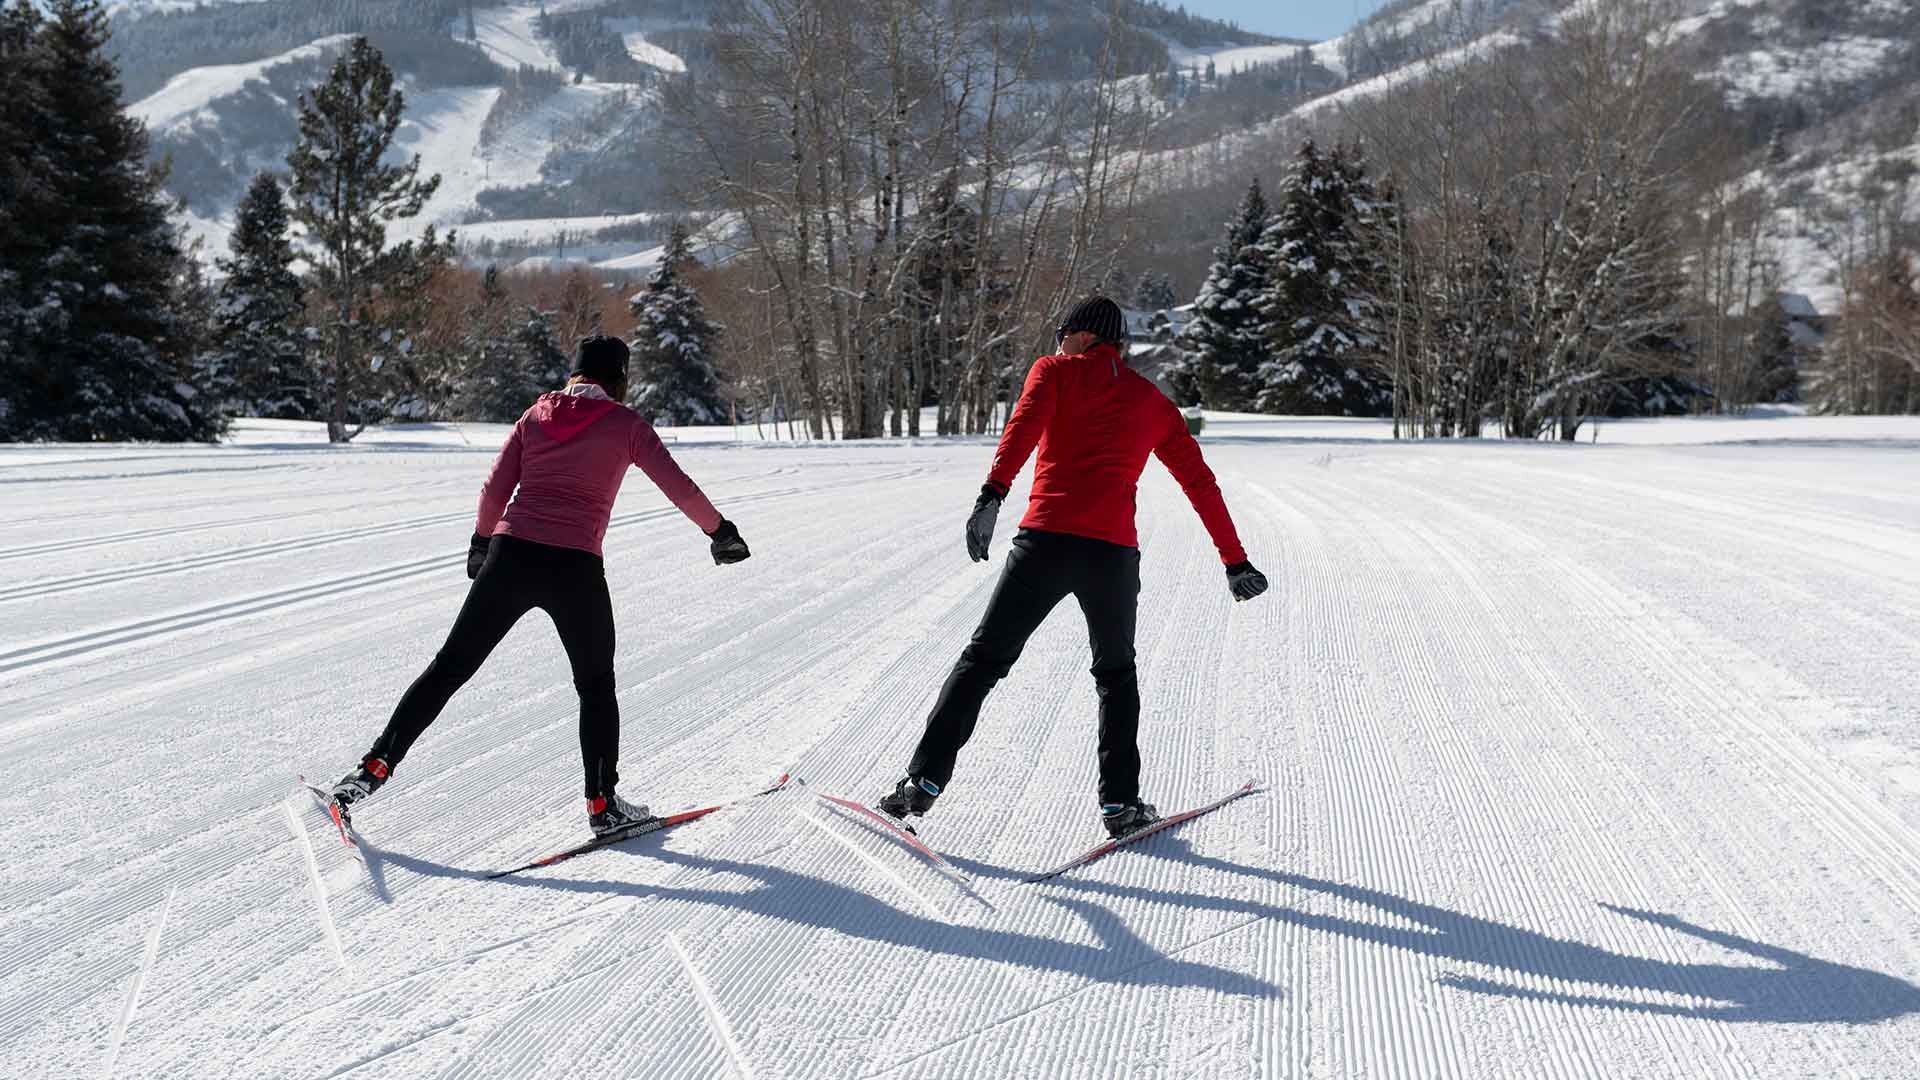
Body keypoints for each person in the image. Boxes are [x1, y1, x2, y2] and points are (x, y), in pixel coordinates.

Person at [876, 295, 1269, 839]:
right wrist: (1235, 560)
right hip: (1111, 557)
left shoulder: (1054, 372)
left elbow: (1022, 429)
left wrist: (992, 495)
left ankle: (920, 786)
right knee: (1116, 676)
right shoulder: (1152, 402)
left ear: (1084, 336)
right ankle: (1121, 807)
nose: (1057, 342)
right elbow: (1200, 484)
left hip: (1044, 545)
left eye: (1063, 332)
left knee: (983, 661)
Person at [329, 336, 752, 838]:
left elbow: (493, 490)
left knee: (449, 667)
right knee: (595, 686)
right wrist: (719, 531)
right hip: (575, 568)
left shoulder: (535, 417)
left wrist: (482, 543)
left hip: (512, 557)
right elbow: (678, 485)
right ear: (617, 378)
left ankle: (369, 772)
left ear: (575, 374)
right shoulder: (627, 426)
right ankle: (603, 806)